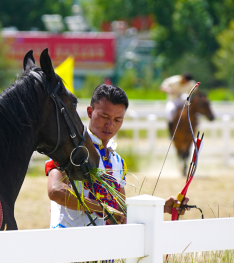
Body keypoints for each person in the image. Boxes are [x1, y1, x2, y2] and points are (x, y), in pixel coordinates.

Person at [46, 84, 186, 229]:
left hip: (104, 241)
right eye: (104, 116)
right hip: (68, 239)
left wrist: (161, 207)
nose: (110, 125)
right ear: (90, 112)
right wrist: (101, 208)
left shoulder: (118, 161)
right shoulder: (69, 148)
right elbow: (56, 191)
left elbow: (121, 211)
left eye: (118, 119)